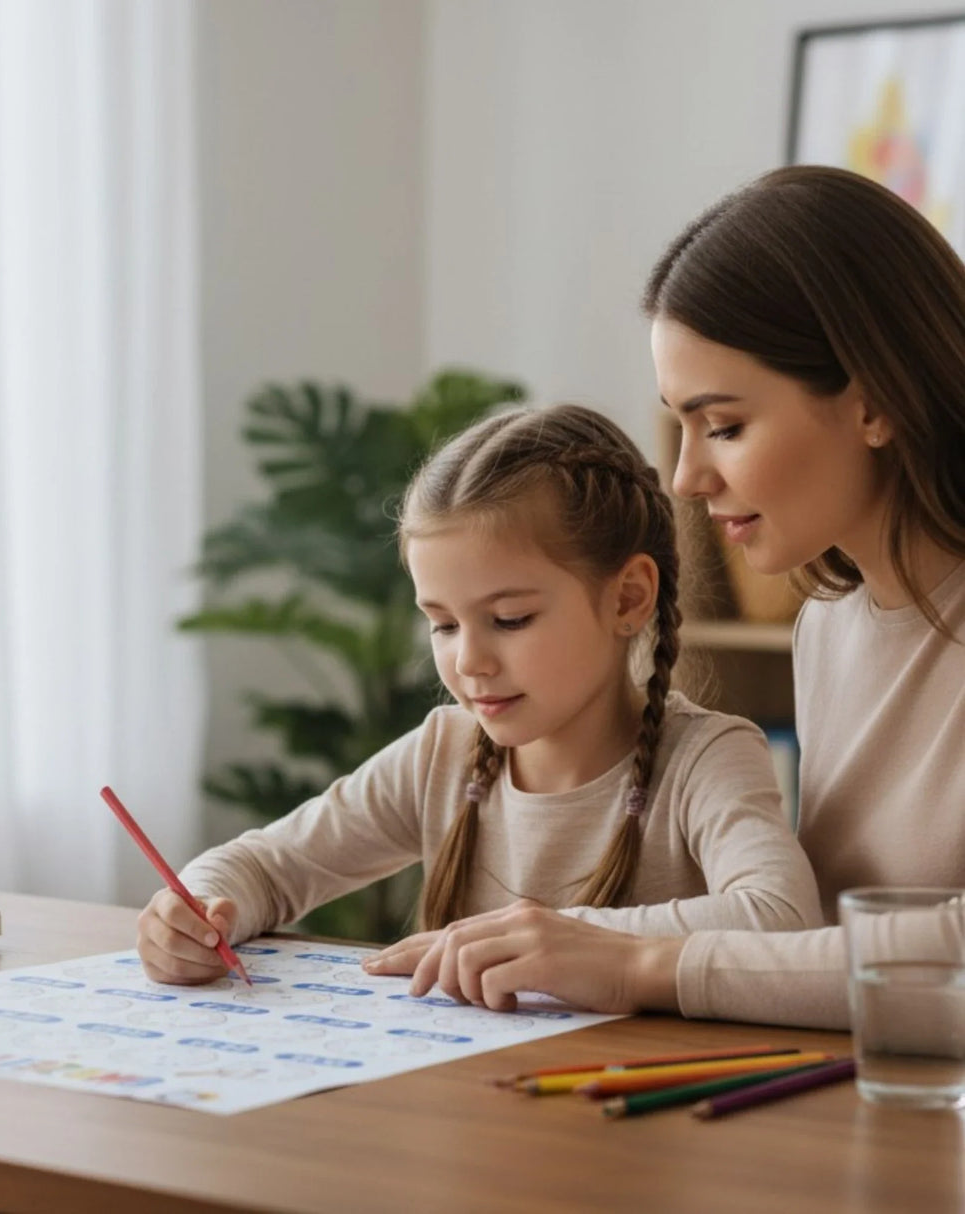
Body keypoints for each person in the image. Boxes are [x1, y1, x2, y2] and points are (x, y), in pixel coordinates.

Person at [374, 164, 965, 1030]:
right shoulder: (831, 627)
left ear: (873, 403)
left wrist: (640, 960)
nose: (686, 478)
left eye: (723, 426)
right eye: (680, 425)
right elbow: (833, 943)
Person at [136, 403, 821, 986]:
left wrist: (561, 941)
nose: (469, 661)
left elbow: (782, 917)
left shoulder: (705, 759)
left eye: (510, 619)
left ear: (628, 598)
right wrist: (198, 909)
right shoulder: (444, 754)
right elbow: (267, 864)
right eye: (441, 623)